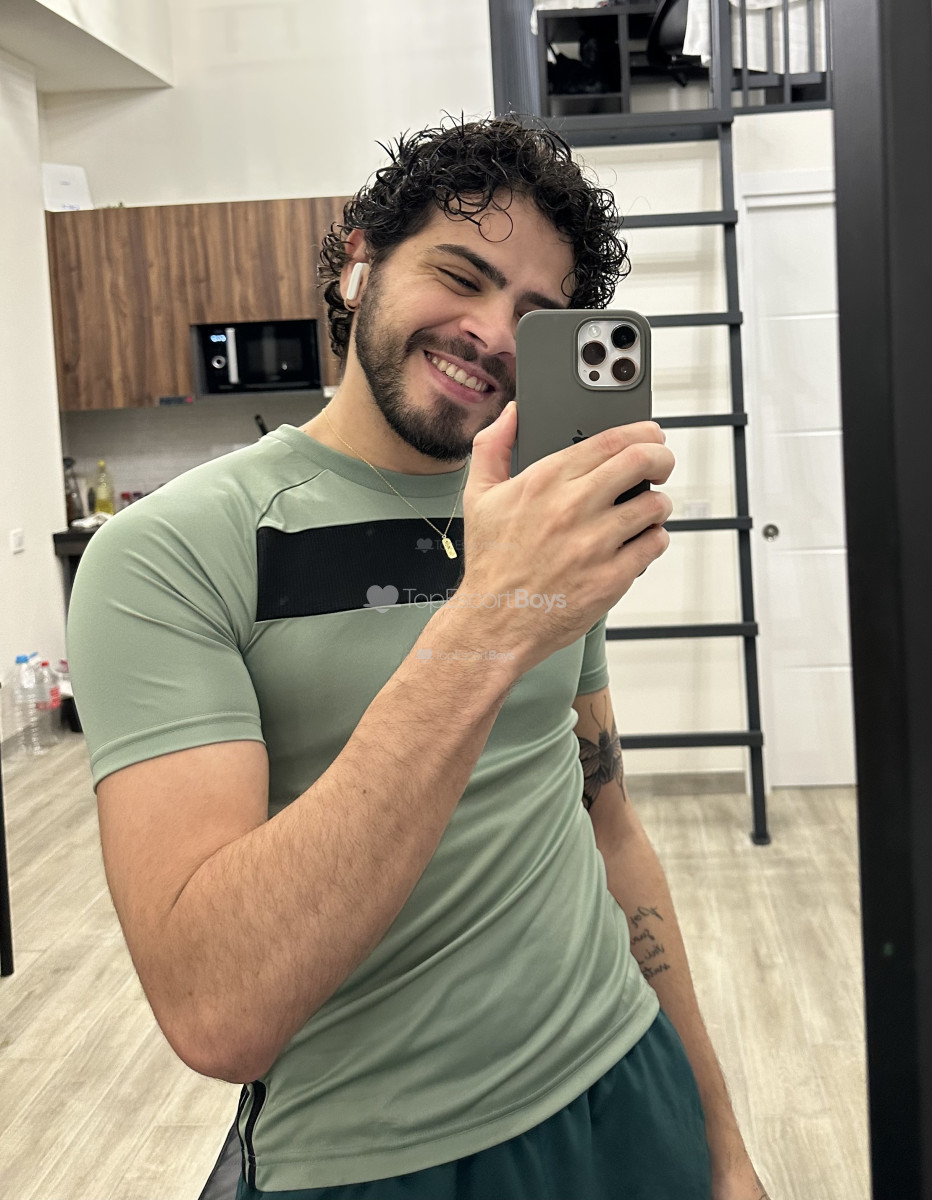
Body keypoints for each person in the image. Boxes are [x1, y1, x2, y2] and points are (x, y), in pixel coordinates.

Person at [67, 115, 768, 1200]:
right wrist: (491, 615)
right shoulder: (170, 551)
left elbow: (608, 824)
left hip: (630, 1085)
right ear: (359, 261)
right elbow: (217, 1010)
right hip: (376, 1160)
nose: (490, 333)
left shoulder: (538, 516)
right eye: (460, 274)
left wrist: (721, 1142)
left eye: (533, 317)